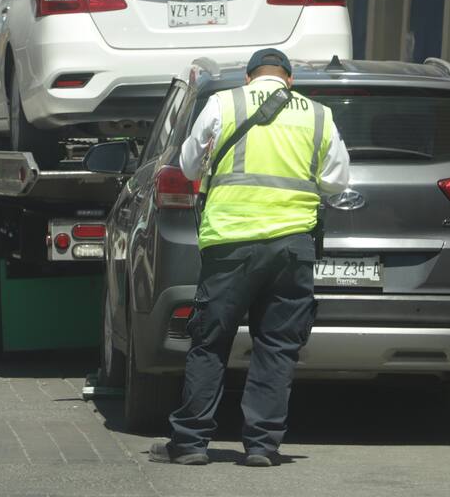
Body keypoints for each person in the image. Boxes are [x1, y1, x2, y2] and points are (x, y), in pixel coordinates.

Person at [150, 48, 350, 467]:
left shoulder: (225, 103)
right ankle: (262, 445)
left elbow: (188, 166)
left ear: (248, 78)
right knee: (277, 345)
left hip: (230, 244)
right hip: (292, 248)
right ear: (289, 81)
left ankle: (190, 443)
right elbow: (335, 182)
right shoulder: (318, 115)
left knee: (210, 342)